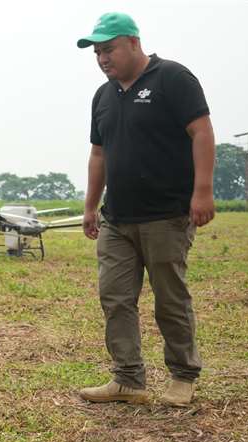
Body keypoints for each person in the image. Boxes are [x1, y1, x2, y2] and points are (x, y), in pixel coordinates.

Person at [76, 13, 215, 407]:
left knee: (170, 298)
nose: (103, 58)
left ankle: (183, 375)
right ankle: (128, 379)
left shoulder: (173, 78)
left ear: (134, 43)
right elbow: (99, 154)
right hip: (116, 218)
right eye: (97, 52)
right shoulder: (103, 96)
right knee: (115, 298)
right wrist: (90, 206)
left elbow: (201, 132)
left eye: (109, 49)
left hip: (166, 215)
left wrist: (202, 191)